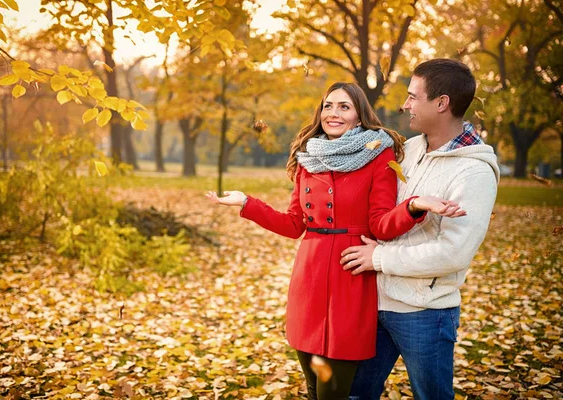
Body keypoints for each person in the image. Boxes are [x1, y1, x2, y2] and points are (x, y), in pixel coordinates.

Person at [206, 82, 465, 400]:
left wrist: (413, 207)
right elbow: (293, 224)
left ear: (359, 116)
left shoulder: (378, 155)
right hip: (309, 282)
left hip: (351, 279)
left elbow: (381, 226)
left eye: (344, 106)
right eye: (328, 105)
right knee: (314, 385)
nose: (333, 113)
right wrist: (247, 203)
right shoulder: (307, 158)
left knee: (335, 389)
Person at [342, 59, 500, 400]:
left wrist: (379, 258)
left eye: (413, 97)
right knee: (355, 393)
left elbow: (452, 253)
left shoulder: (474, 173)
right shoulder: (408, 149)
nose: (405, 104)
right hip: (375, 302)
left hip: (425, 313)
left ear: (441, 103)